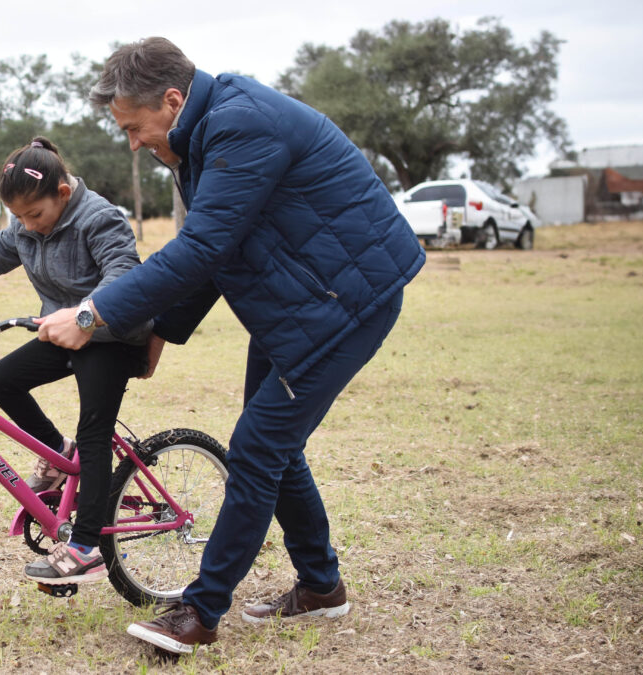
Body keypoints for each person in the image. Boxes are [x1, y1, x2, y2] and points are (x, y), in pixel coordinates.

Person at [36, 38, 426, 653]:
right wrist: (162, 330)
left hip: (346, 300)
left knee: (258, 446)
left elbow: (203, 248)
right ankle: (322, 587)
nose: (133, 143)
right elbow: (217, 251)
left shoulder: (242, 125)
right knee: (274, 444)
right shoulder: (201, 135)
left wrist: (92, 312)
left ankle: (200, 611)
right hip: (298, 301)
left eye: (136, 128)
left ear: (172, 99)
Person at [0, 137, 151, 585]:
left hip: (113, 335)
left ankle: (86, 547)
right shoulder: (25, 227)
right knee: (2, 379)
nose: (27, 226)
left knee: (94, 432)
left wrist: (84, 317)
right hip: (62, 332)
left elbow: (125, 277)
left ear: (62, 193)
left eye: (34, 215)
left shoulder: (101, 218)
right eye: (18, 218)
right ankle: (59, 456)